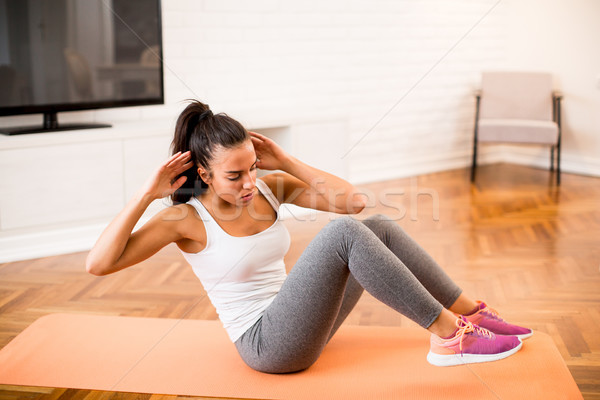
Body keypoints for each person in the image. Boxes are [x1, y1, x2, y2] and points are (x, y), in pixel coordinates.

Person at [86, 100, 531, 373]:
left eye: (253, 168)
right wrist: (146, 195)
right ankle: (451, 337)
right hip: (266, 347)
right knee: (342, 236)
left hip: (302, 323)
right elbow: (99, 264)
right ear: (203, 173)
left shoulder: (267, 188)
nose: (248, 183)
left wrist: (286, 160)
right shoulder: (185, 219)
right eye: (234, 175)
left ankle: (473, 313)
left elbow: (355, 201)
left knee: (375, 226)